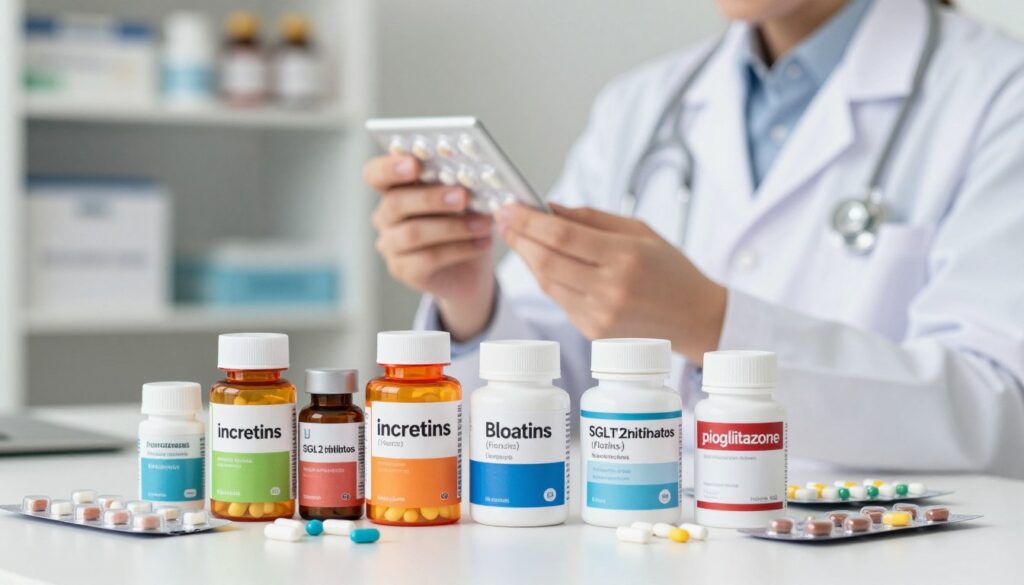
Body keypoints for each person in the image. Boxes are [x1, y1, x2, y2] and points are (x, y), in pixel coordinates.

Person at [363, 0, 1024, 477]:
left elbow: (1000, 410)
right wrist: (471, 298)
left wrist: (712, 324)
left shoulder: (1000, 92)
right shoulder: (642, 105)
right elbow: (553, 394)